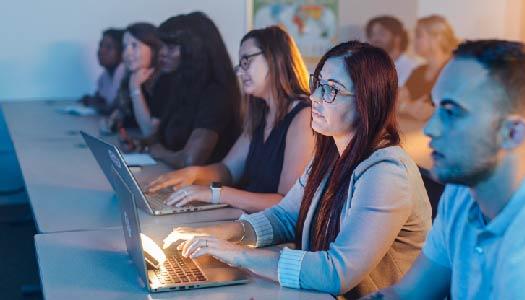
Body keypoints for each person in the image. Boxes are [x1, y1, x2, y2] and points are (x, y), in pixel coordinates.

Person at [161, 41, 432, 299]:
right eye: (318, 84)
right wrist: (218, 234)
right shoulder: (331, 155)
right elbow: (285, 218)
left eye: (331, 90)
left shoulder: (386, 172)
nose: (314, 97)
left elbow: (337, 272)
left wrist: (235, 254)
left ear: (368, 101)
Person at [364, 40, 525, 300]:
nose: (430, 128)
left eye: (451, 112)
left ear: (512, 133)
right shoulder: (463, 193)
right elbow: (406, 294)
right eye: (436, 106)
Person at [147, 26, 314, 213]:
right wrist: (192, 174)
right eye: (239, 65)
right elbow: (228, 170)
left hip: (274, 232)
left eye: (246, 62)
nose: (240, 73)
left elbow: (284, 203)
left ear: (276, 57)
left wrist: (216, 194)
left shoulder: (303, 117)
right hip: (247, 218)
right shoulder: (261, 113)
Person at [145, 12, 241, 168]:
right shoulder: (180, 82)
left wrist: (158, 152)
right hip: (171, 176)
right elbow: (161, 137)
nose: (161, 53)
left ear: (195, 51)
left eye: (170, 47)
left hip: (203, 188)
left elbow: (190, 160)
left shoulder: (217, 94)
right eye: (162, 46)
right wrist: (142, 143)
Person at [104, 22, 165, 140]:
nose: (127, 53)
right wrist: (112, 122)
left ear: (153, 49)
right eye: (125, 47)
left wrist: (135, 89)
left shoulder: (165, 82)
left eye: (134, 46)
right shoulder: (130, 76)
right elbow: (120, 117)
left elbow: (149, 132)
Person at [398, 15, 458, 121]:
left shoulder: (455, 70)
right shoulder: (418, 71)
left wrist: (406, 106)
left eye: (418, 35)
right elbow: (394, 102)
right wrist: (406, 107)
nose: (413, 41)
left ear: (437, 37)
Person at [80, 28, 127, 115]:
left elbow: (115, 109)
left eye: (109, 47)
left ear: (123, 52)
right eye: (101, 45)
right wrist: (90, 100)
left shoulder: (126, 74)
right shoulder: (105, 75)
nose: (101, 51)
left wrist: (94, 103)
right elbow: (99, 99)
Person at [366, 15, 421, 86]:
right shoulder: (367, 67)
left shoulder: (412, 69)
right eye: (372, 34)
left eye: (381, 34)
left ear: (397, 38)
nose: (375, 39)